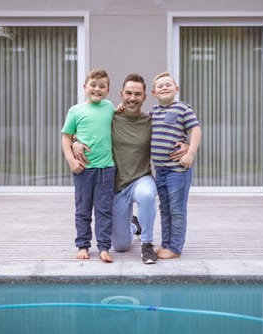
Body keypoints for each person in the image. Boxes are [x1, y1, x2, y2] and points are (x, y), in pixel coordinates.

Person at [73, 73, 188, 264]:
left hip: (141, 179)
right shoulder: (111, 116)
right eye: (128, 93)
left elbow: (173, 132)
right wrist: (76, 141)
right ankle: (134, 226)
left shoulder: (150, 120)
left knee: (146, 195)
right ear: (121, 94)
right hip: (116, 187)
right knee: (120, 245)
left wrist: (184, 144)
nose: (132, 98)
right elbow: (89, 128)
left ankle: (147, 245)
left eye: (137, 94)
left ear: (144, 97)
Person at [61, 68, 115, 263]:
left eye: (102, 86)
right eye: (93, 85)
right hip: (83, 170)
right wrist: (71, 160)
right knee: (83, 209)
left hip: (107, 169)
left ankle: (103, 247)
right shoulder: (76, 111)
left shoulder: (110, 107)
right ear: (85, 87)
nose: (97, 89)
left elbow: (119, 120)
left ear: (108, 89)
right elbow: (66, 137)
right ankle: (83, 245)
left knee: (104, 210)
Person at [150, 71, 201, 259]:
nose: (164, 87)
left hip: (177, 170)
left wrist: (190, 152)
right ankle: (166, 244)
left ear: (176, 89)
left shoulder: (182, 109)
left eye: (168, 84)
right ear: (154, 92)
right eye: (160, 85)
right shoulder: (152, 112)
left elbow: (195, 130)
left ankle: (175, 248)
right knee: (165, 208)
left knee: (177, 209)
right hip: (160, 170)